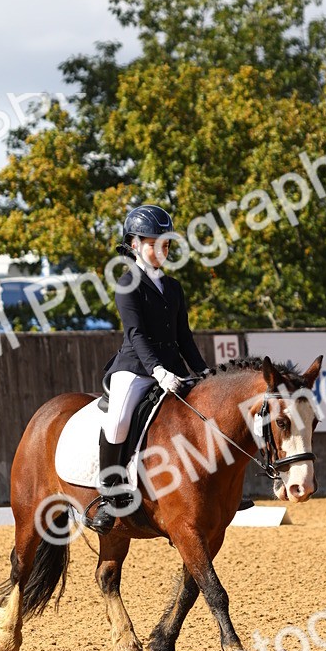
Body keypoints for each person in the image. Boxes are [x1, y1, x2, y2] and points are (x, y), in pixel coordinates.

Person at [84, 204, 211, 536]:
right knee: (119, 419)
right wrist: (157, 370)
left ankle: (215, 489)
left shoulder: (173, 287)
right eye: (154, 244)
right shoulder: (127, 284)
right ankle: (110, 494)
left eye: (165, 244)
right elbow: (136, 334)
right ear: (134, 244)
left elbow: (184, 337)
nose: (161, 250)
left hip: (172, 369)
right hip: (136, 369)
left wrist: (203, 372)